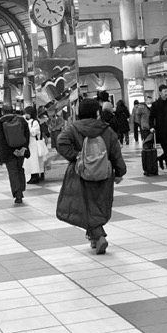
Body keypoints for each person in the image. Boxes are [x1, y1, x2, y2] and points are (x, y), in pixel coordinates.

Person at [55, 98, 126, 253]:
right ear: (97, 113)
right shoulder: (107, 130)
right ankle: (94, 238)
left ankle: (99, 236)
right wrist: (120, 171)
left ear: (79, 112)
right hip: (104, 173)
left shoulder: (73, 128)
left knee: (85, 206)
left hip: (80, 173)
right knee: (97, 204)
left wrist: (76, 156)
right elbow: (116, 152)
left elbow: (60, 142)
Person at [0, 106, 30, 204]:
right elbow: (26, 134)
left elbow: (2, 139)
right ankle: (21, 188)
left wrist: (3, 154)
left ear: (3, 112)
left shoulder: (0, 122)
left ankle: (18, 194)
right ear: (13, 111)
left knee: (12, 172)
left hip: (9, 151)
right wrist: (24, 147)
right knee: (19, 168)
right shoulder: (21, 119)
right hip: (21, 149)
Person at [148, 85, 167, 174]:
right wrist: (151, 127)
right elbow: (151, 117)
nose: (166, 93)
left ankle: (160, 158)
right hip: (161, 130)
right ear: (160, 93)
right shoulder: (155, 104)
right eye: (165, 91)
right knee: (166, 148)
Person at [25, 106, 46, 184]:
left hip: (34, 144)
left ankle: (35, 176)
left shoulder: (35, 122)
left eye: (27, 113)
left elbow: (34, 133)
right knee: (31, 161)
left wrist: (27, 127)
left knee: (35, 161)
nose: (26, 115)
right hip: (30, 144)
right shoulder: (29, 122)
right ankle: (32, 176)